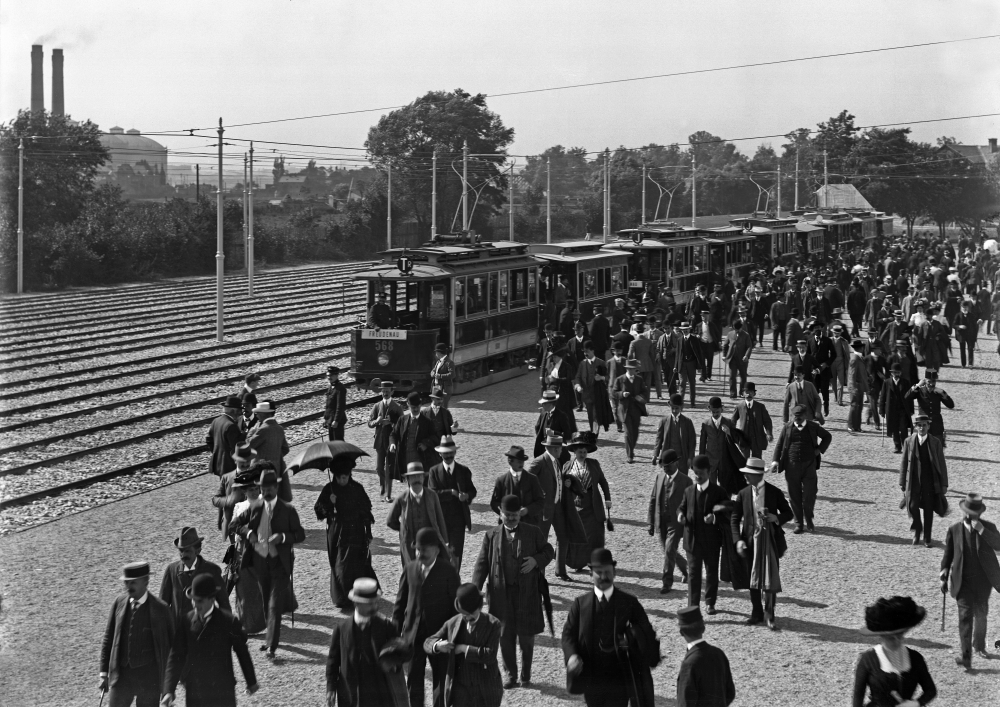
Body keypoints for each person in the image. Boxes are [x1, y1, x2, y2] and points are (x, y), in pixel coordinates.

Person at [472, 495, 554, 689]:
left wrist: (536, 560)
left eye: (515, 515)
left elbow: (549, 551)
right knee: (504, 635)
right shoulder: (491, 535)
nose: (511, 518)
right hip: (501, 596)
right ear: (500, 513)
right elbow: (482, 565)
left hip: (527, 594)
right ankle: (511, 675)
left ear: (520, 514)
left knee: (526, 636)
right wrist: (475, 591)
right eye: (507, 515)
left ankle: (526, 675)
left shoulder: (533, 532)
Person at [562, 548, 659, 707]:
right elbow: (568, 635)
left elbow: (647, 632)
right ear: (590, 575)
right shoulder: (580, 605)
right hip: (592, 678)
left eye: (607, 572)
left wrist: (630, 639)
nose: (603, 577)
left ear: (614, 572)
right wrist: (571, 656)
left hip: (619, 677)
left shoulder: (629, 603)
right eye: (598, 572)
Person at [230, 466, 306, 660]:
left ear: (276, 488)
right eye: (263, 487)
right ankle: (268, 641)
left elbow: (300, 534)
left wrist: (282, 537)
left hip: (279, 564)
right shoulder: (254, 507)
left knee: (273, 605)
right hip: (259, 562)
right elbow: (234, 525)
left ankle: (272, 646)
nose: (266, 490)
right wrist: (248, 533)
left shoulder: (288, 510)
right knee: (266, 602)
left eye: (270, 487)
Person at [160, 574, 258, 707]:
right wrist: (168, 690)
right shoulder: (186, 621)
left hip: (222, 690)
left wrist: (251, 681)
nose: (195, 605)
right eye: (193, 600)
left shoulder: (228, 621)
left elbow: (242, 652)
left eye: (200, 601)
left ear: (212, 599)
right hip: (196, 690)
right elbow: (176, 656)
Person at [393, 527, 460, 707]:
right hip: (413, 635)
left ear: (436, 550)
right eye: (417, 549)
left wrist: (452, 636)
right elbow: (400, 604)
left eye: (424, 549)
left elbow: (456, 608)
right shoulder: (410, 568)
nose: (419, 553)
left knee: (440, 679)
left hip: (438, 636)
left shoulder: (448, 571)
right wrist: (395, 634)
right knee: (414, 680)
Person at [99, 562, 174, 707]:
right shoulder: (119, 603)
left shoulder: (161, 609)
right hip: (121, 677)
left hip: (149, 679)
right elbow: (108, 638)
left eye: (133, 582)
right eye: (126, 582)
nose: (128, 586)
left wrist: (169, 686)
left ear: (146, 581)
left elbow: (172, 648)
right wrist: (103, 673)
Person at [730, 458, 793, 630]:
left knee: (770, 577)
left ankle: (770, 613)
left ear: (757, 475)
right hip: (750, 543)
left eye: (748, 475)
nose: (745, 477)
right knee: (753, 578)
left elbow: (789, 513)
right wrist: (738, 540)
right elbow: (734, 519)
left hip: (771, 541)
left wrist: (776, 518)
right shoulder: (742, 494)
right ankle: (756, 612)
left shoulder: (774, 492)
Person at [326, 578, 408, 707]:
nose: (375, 606)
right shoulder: (341, 629)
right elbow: (333, 661)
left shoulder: (386, 627)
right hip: (350, 695)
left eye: (375, 602)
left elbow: (405, 651)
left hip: (379, 695)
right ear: (356, 603)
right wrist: (330, 688)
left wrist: (393, 660)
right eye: (370, 603)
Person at [940, 493, 1000, 670]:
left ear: (979, 514)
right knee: (964, 618)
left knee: (981, 615)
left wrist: (981, 529)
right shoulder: (954, 530)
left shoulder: (988, 527)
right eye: (967, 512)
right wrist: (943, 572)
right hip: (963, 582)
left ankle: (979, 646)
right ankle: (966, 658)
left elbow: (999, 545)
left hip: (983, 582)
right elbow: (948, 555)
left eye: (973, 514)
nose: (968, 516)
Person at [423, 584, 504, 707]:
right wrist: (438, 645)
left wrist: (463, 648)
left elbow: (490, 655)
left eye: (470, 614)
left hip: (485, 689)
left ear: (479, 607)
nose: (466, 617)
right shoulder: (453, 623)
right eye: (463, 613)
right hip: (460, 691)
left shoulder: (493, 624)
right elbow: (428, 642)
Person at [314, 456, 378, 611]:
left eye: (346, 477)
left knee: (357, 561)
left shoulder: (357, 488)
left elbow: (366, 511)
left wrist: (368, 533)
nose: (343, 480)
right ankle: (343, 597)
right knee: (340, 563)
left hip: (355, 531)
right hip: (337, 533)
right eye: (340, 478)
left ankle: (361, 593)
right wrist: (330, 504)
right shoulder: (329, 489)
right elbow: (319, 510)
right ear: (335, 476)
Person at [852, 596, 937, 707]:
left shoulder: (915, 658)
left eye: (900, 636)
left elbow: (930, 690)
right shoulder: (868, 659)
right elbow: (858, 696)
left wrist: (915, 703)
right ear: (881, 636)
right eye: (891, 638)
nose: (897, 641)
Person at [677, 455, 728, 614]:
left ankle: (710, 602)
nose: (698, 476)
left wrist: (715, 518)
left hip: (711, 541)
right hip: (692, 541)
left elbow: (728, 512)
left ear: (709, 472)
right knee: (693, 574)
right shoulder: (689, 491)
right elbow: (682, 508)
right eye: (696, 473)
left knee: (711, 572)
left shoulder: (718, 492)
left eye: (701, 473)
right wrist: (680, 515)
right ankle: (693, 605)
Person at [771, 404, 832, 534]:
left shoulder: (813, 427)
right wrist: (775, 461)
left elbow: (827, 436)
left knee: (810, 494)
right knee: (794, 496)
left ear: (806, 416)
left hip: (809, 466)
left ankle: (809, 518)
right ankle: (799, 523)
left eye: (800, 416)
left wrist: (819, 450)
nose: (797, 419)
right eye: (795, 416)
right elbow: (780, 444)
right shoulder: (787, 427)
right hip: (791, 467)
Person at [426, 435, 476, 570]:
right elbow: (432, 493)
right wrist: (451, 492)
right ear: (440, 454)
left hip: (458, 519)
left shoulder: (463, 471)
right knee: (441, 552)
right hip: (440, 519)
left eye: (450, 453)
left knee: (455, 552)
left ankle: (454, 581)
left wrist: (467, 496)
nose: (448, 456)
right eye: (445, 453)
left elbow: (472, 491)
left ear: (455, 452)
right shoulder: (434, 471)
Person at [388, 462, 451, 567]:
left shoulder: (432, 496)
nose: (416, 479)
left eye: (419, 476)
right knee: (412, 573)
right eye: (413, 477)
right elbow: (390, 521)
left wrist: (446, 542)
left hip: (429, 543)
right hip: (410, 545)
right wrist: (404, 529)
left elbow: (440, 520)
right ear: (408, 479)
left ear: (423, 478)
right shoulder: (401, 499)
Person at [159, 526, 230, 619]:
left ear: (198, 551)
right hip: (178, 631)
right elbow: (162, 606)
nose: (183, 555)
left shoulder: (212, 570)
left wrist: (227, 629)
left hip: (203, 629)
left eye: (187, 551)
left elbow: (224, 604)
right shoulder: (171, 570)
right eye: (181, 551)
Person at [899, 415, 948, 547]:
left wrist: (944, 484)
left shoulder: (935, 442)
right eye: (919, 425)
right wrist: (902, 481)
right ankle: (918, 529)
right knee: (913, 506)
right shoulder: (909, 441)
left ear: (928, 426)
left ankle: (927, 538)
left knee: (928, 509)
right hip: (913, 481)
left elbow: (942, 464)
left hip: (930, 482)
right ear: (915, 427)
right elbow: (904, 462)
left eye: (924, 425)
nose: (922, 428)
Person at [648, 450, 691, 594]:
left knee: (669, 549)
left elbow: (690, 504)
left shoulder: (686, 481)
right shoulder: (659, 478)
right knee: (669, 551)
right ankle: (686, 570)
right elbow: (653, 500)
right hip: (661, 521)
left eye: (668, 465)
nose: (665, 468)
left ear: (676, 463)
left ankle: (667, 582)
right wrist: (651, 523)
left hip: (676, 523)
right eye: (663, 465)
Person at [675, 606, 736, 707]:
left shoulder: (689, 663)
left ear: (681, 632)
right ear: (703, 628)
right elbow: (730, 692)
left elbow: (685, 703)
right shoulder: (718, 653)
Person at [566, 435, 613, 560]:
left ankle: (595, 560)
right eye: (580, 452)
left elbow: (603, 482)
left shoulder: (593, 464)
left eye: (585, 452)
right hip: (575, 505)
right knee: (577, 534)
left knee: (594, 535)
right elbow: (562, 485)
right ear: (574, 452)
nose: (582, 454)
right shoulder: (567, 466)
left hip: (592, 505)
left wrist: (607, 499)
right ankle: (577, 561)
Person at [245, 400, 292, 502]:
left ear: (263, 414)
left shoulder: (262, 429)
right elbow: (285, 449)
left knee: (262, 498)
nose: (257, 416)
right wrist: (274, 456)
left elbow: (248, 444)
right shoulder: (279, 428)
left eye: (258, 413)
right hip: (276, 469)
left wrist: (252, 430)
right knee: (273, 497)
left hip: (261, 470)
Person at [700, 397, 746, 497]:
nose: (715, 414)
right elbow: (702, 443)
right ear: (709, 409)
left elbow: (736, 440)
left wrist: (729, 432)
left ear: (722, 409)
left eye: (717, 412)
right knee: (711, 486)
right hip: (711, 460)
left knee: (725, 487)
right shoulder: (705, 424)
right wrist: (701, 459)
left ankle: (726, 506)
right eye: (713, 412)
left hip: (725, 461)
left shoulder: (729, 422)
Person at [390, 391, 437, 482]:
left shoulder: (427, 422)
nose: (416, 410)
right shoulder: (402, 420)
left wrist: (426, 444)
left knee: (422, 485)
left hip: (421, 459)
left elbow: (436, 438)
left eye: (418, 407)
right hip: (406, 458)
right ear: (408, 405)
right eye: (413, 407)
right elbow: (393, 434)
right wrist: (392, 444)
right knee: (411, 484)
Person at [369, 380, 403, 501]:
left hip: (391, 443)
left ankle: (387, 495)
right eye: (383, 392)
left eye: (387, 392)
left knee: (389, 468)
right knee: (379, 468)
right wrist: (376, 422)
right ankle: (382, 486)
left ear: (392, 392)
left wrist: (392, 422)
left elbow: (402, 425)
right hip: (379, 441)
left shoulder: (397, 407)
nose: (385, 394)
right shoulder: (377, 406)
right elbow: (369, 423)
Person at [212, 443, 255, 539]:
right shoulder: (226, 478)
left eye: (248, 461)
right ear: (235, 460)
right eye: (241, 461)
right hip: (233, 525)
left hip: (252, 525)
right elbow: (215, 499)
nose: (245, 464)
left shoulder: (257, 476)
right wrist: (228, 500)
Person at [611, 358, 649, 463]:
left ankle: (631, 448)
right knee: (628, 433)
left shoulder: (639, 379)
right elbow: (613, 393)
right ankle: (630, 455)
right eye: (629, 369)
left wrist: (641, 397)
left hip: (636, 409)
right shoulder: (619, 379)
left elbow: (645, 392)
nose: (631, 371)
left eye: (633, 369)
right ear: (626, 369)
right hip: (624, 410)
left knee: (635, 432)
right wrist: (622, 394)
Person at [574, 341, 614, 436]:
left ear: (592, 351)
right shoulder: (582, 364)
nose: (585, 354)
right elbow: (577, 378)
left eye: (587, 351)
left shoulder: (601, 363)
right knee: (590, 416)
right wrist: (578, 386)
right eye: (584, 352)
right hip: (587, 395)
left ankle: (594, 434)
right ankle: (593, 431)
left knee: (596, 415)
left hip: (598, 395)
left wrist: (602, 378)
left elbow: (610, 378)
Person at [905, 372, 955, 447]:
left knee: (938, 446)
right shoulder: (920, 391)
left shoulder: (938, 392)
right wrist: (918, 385)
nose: (931, 384)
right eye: (929, 381)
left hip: (936, 424)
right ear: (925, 381)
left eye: (933, 381)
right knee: (921, 446)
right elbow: (907, 397)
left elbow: (951, 405)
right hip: (923, 423)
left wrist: (943, 393)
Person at [652, 393, 697, 474]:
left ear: (681, 407)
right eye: (673, 408)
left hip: (682, 459)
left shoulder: (687, 422)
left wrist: (690, 457)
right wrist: (655, 454)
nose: (674, 411)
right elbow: (659, 439)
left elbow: (692, 442)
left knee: (682, 482)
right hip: (668, 460)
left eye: (677, 408)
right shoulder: (664, 421)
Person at [730, 383, 773, 459]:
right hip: (744, 439)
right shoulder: (739, 407)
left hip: (757, 439)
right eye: (746, 392)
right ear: (743, 394)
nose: (748, 394)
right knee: (744, 460)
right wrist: (734, 435)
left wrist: (769, 433)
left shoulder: (760, 407)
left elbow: (767, 421)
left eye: (751, 392)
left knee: (757, 461)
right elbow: (733, 421)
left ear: (754, 394)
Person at [879, 362, 913, 454]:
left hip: (903, 409)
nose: (896, 374)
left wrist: (911, 410)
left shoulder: (906, 382)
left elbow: (910, 397)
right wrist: (881, 410)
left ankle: (905, 446)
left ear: (900, 373)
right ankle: (897, 447)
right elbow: (882, 397)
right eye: (894, 372)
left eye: (898, 372)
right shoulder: (887, 382)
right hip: (891, 410)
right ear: (891, 373)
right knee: (894, 429)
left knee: (903, 428)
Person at [205, 396, 242, 478]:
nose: (241, 413)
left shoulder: (216, 421)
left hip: (218, 464)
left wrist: (216, 452)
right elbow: (235, 447)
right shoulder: (231, 425)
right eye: (239, 411)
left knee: (224, 487)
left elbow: (208, 439)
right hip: (229, 466)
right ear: (233, 411)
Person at [421, 388, 459, 465]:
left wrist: (454, 427)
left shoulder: (446, 413)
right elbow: (420, 431)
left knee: (442, 465)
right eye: (438, 399)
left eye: (442, 399)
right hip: (429, 445)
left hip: (442, 445)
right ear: (432, 398)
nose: (441, 401)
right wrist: (423, 444)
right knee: (429, 465)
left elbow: (452, 432)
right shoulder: (424, 412)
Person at [534, 388, 574, 458]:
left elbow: (568, 435)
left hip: (558, 453)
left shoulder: (562, 416)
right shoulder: (543, 414)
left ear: (551, 403)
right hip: (544, 452)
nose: (542, 405)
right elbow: (537, 427)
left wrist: (554, 433)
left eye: (544, 403)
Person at [722, 319, 754, 400]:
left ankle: (742, 392)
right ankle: (733, 393)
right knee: (732, 376)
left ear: (741, 328)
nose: (737, 330)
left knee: (743, 376)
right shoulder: (730, 334)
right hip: (732, 359)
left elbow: (749, 346)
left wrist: (746, 356)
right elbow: (725, 345)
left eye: (738, 329)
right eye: (735, 329)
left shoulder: (746, 335)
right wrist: (724, 355)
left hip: (742, 359)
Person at [605, 343, 628, 433]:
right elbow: (607, 376)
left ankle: (625, 423)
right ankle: (619, 426)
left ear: (621, 351)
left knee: (623, 407)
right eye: (616, 350)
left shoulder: (625, 361)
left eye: (619, 350)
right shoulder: (609, 362)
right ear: (613, 351)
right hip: (612, 388)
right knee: (614, 409)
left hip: (623, 388)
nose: (617, 352)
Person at [678, 323, 702, 406]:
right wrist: (675, 366)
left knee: (692, 383)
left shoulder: (694, 340)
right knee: (682, 383)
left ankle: (692, 402)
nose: (685, 331)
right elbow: (678, 354)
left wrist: (700, 366)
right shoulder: (679, 340)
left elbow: (699, 353)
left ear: (689, 330)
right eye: (683, 330)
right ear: (681, 330)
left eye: (686, 329)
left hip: (691, 364)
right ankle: (680, 402)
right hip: (682, 364)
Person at [951, 299, 980, 367]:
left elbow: (975, 327)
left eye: (966, 307)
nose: (964, 309)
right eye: (963, 307)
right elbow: (953, 325)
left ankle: (970, 363)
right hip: (961, 335)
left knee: (970, 349)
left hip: (970, 335)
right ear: (961, 307)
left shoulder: (972, 315)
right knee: (962, 350)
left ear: (968, 308)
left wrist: (975, 337)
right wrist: (959, 326)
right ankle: (963, 364)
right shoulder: (958, 315)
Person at [694, 309, 721, 382]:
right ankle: (703, 376)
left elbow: (717, 333)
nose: (704, 318)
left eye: (705, 316)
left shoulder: (712, 325)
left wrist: (719, 341)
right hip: (702, 344)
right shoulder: (699, 325)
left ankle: (708, 376)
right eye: (702, 316)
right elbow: (695, 333)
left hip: (710, 344)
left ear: (708, 316)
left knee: (709, 361)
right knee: (702, 361)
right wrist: (697, 335)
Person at [430, 343, 455, 408]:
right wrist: (432, 373)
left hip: (445, 388)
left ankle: (444, 418)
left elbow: (452, 374)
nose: (435, 354)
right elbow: (433, 370)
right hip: (437, 387)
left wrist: (440, 376)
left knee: (443, 407)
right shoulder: (438, 362)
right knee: (435, 407)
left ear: (439, 353)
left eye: (436, 352)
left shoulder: (449, 362)